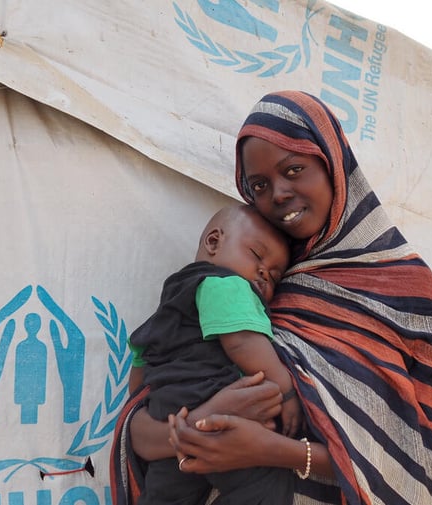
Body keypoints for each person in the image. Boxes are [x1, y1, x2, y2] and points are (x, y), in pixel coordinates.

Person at [110, 90, 432, 505]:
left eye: (294, 169)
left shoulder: (401, 285)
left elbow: (417, 454)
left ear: (332, 163)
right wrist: (204, 422)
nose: (277, 193)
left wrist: (273, 451)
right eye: (259, 185)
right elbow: (141, 423)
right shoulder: (244, 278)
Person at [126, 203, 302, 505]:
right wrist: (286, 390)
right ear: (213, 242)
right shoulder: (227, 283)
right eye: (257, 256)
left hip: (168, 415)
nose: (262, 273)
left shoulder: (168, 305)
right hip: (216, 408)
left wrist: (153, 406)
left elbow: (139, 369)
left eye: (273, 276)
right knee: (265, 485)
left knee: (165, 496)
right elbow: (243, 343)